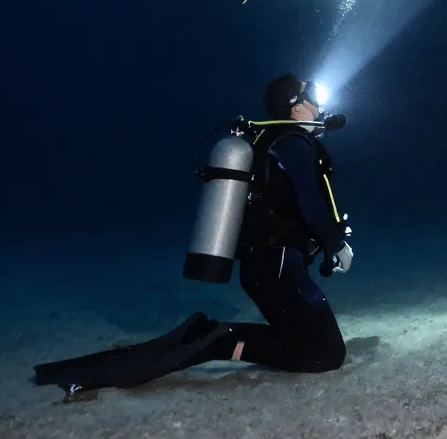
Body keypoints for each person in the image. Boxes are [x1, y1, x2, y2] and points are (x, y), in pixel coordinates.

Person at [32, 73, 353, 393]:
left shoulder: (267, 142)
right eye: (312, 95)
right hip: (279, 269)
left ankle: (208, 335)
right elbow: (310, 205)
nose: (319, 103)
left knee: (301, 341)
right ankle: (218, 341)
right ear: (295, 109)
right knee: (327, 355)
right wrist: (336, 244)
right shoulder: (294, 143)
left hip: (264, 269)